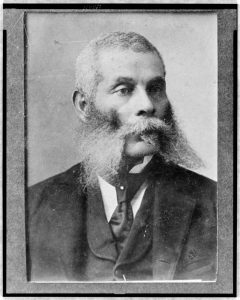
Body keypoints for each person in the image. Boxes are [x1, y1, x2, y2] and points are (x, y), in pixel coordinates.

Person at [27, 32, 217, 281]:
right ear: (84, 106)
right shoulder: (30, 208)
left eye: (155, 88)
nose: (147, 105)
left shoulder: (216, 203)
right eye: (124, 90)